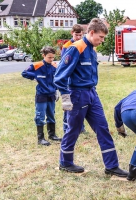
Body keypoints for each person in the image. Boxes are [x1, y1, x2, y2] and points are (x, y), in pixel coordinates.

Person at [54, 18, 128, 176]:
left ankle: (111, 166)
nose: (102, 41)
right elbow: (59, 77)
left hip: (91, 93)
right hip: (77, 95)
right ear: (91, 32)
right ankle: (65, 163)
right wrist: (66, 99)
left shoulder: (92, 50)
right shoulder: (76, 48)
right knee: (73, 130)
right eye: (100, 37)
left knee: (103, 128)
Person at [21, 46, 62, 146]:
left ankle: (52, 135)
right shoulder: (37, 65)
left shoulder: (54, 66)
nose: (51, 59)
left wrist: (57, 91)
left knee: (51, 115)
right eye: (49, 57)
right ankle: (41, 138)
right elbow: (24, 73)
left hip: (52, 94)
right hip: (41, 95)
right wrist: (35, 77)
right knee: (40, 116)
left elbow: (57, 78)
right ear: (43, 55)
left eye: (53, 57)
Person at [61, 24, 87, 135]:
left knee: (82, 103)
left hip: (82, 80)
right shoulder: (67, 46)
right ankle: (66, 127)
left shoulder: (84, 44)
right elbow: (65, 64)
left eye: (80, 35)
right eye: (76, 35)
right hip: (71, 80)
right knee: (69, 104)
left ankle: (81, 127)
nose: (78, 37)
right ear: (72, 33)